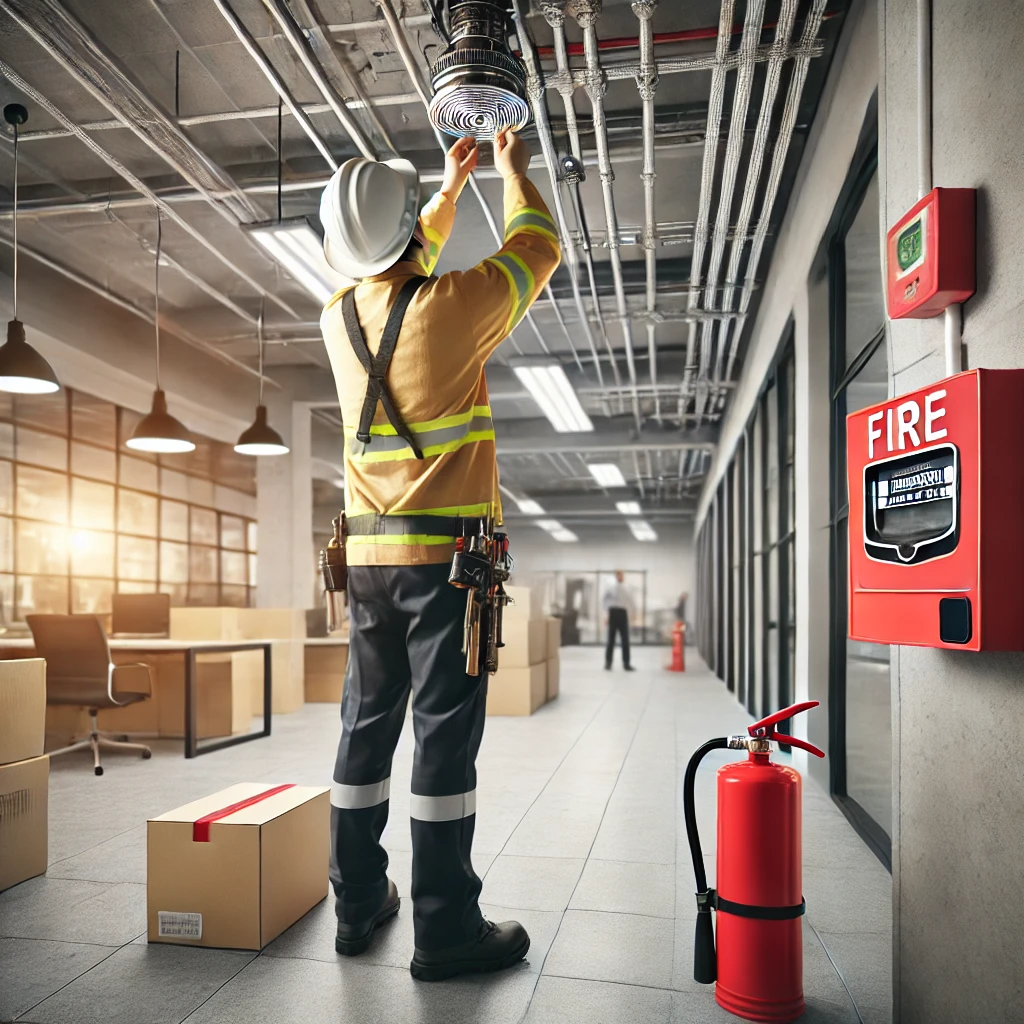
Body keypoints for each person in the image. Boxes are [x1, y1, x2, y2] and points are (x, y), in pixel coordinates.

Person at [318, 132, 560, 981]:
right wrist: (510, 175)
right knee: (444, 743)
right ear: (411, 239)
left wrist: (447, 194)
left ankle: (356, 905)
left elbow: (390, 250)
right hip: (448, 568)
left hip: (369, 566)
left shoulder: (336, 314)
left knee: (363, 728)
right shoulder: (454, 306)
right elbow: (540, 247)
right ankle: (445, 929)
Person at [603, 570, 635, 671]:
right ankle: (608, 663)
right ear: (616, 576)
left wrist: (633, 613)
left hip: (622, 613)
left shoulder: (626, 587)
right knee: (611, 640)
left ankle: (626, 663)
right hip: (613, 613)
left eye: (621, 575)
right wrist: (605, 615)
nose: (620, 577)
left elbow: (630, 601)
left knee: (625, 640)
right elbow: (605, 600)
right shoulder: (610, 587)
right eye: (618, 575)